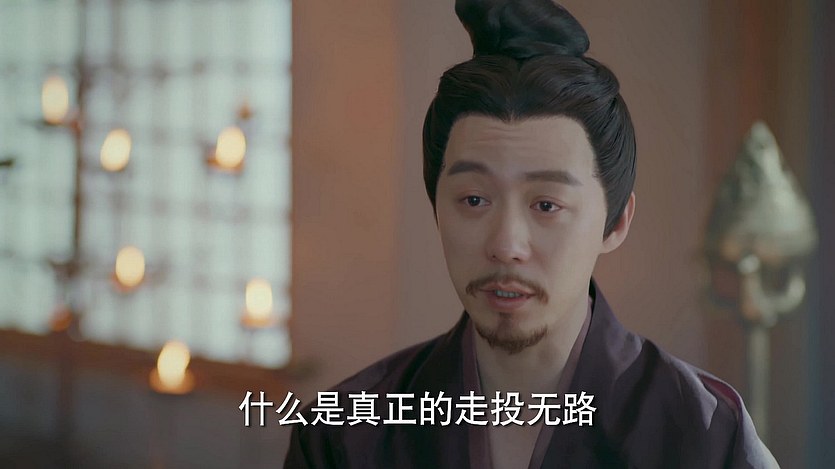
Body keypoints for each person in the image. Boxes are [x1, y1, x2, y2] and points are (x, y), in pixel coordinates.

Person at [285, 0, 778, 467]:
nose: (506, 245)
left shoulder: (705, 435)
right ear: (436, 207)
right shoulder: (345, 435)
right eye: (474, 200)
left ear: (616, 222)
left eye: (546, 205)